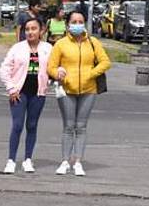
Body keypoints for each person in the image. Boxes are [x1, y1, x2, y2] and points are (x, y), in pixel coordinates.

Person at [46, 11, 111, 177]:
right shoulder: (61, 44)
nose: (77, 24)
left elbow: (105, 62)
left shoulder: (93, 42)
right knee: (68, 126)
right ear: (68, 25)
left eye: (80, 21)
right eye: (74, 21)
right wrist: (58, 73)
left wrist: (91, 74)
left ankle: (78, 162)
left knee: (81, 126)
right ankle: (65, 161)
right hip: (67, 90)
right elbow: (51, 67)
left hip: (89, 90)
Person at [0, 18, 53, 174]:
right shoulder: (18, 48)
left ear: (41, 31)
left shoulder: (48, 48)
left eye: (34, 28)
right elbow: (4, 69)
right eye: (27, 29)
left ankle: (28, 159)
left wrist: (59, 74)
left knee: (32, 125)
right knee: (17, 126)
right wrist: (11, 88)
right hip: (19, 92)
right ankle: (11, 160)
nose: (30, 32)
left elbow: (55, 67)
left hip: (38, 93)